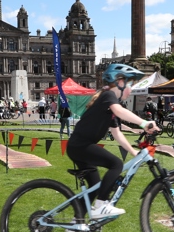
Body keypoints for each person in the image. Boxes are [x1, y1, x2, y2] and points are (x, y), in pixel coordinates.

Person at [67, 63, 158, 220]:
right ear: (120, 82)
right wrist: (144, 123)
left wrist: (133, 152)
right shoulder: (108, 96)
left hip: (78, 147)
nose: (131, 89)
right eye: (131, 84)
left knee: (95, 187)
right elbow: (120, 111)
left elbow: (117, 134)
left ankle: (77, 223)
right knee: (116, 164)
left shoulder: (109, 106)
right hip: (80, 146)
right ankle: (101, 206)